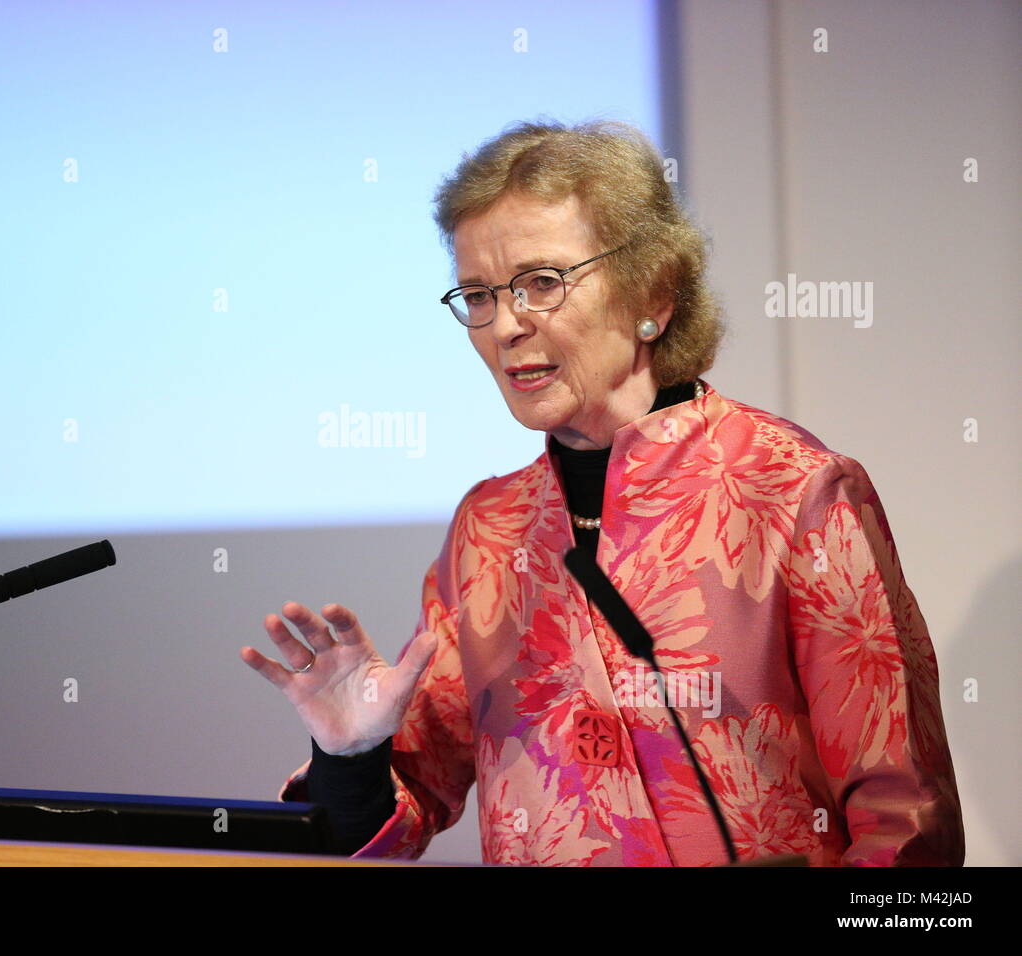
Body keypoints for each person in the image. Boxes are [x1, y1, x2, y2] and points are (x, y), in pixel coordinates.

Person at [239, 120, 965, 866]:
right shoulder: (490, 529)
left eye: (542, 283)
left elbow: (905, 827)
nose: (505, 326)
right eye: (479, 295)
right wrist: (350, 757)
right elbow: (404, 809)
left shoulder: (792, 490)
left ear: (653, 293)